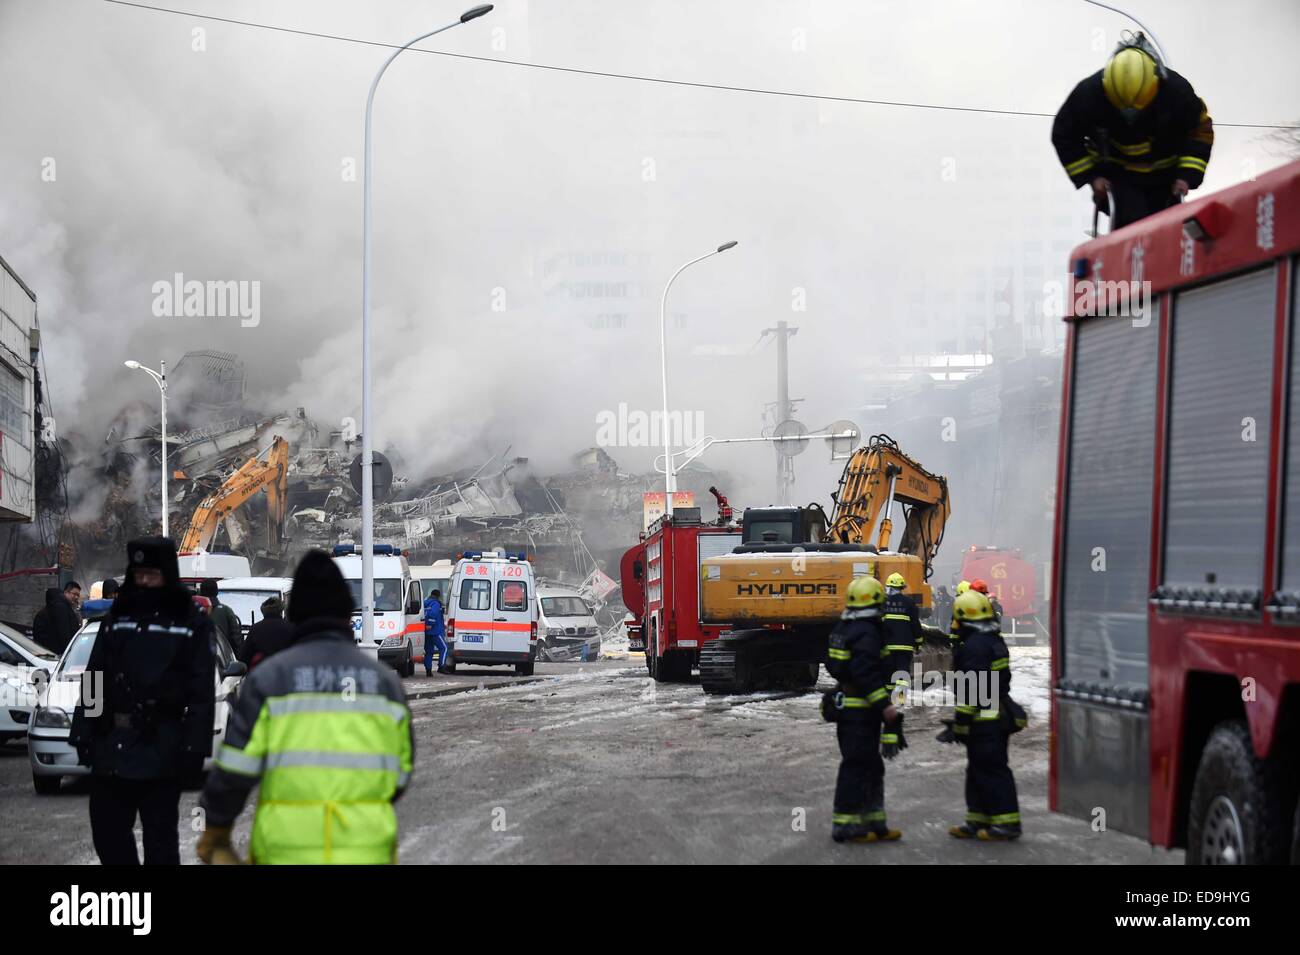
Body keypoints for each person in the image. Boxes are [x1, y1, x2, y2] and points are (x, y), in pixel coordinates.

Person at [197, 550, 414, 865]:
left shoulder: (270, 681)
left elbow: (235, 771)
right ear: (346, 614)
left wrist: (217, 827)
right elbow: (400, 774)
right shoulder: (384, 685)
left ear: (294, 614)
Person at [68, 537, 215, 865]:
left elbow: (202, 693)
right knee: (107, 835)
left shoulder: (191, 623)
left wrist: (195, 748)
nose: (145, 581)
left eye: (152, 574)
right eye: (139, 574)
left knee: (160, 844)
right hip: (112, 747)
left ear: (167, 574)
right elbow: (95, 677)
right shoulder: (117, 618)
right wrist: (84, 731)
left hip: (161, 747)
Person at [1052, 32, 1213, 229]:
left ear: (1156, 84)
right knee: (1133, 229)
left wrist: (1187, 176)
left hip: (1167, 180)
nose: (1131, 118)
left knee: (1166, 231)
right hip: (1118, 180)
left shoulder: (1177, 93)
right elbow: (1063, 134)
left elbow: (1200, 132)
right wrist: (1092, 177)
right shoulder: (1088, 95)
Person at [939, 590, 1025, 841]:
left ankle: (1007, 824)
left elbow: (974, 690)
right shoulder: (993, 641)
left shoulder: (975, 648)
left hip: (985, 719)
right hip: (993, 715)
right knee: (978, 769)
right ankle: (977, 820)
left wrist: (962, 723)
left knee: (992, 769)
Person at [823, 575, 902, 844]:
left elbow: (838, 667)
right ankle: (847, 825)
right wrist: (886, 705)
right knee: (857, 765)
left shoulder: (843, 627)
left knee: (869, 764)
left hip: (850, 708)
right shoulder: (867, 631)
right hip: (861, 711)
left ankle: (873, 822)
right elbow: (865, 672)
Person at [880, 572, 924, 759]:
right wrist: (919, 641)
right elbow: (915, 624)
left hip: (888, 646)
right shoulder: (908, 603)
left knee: (889, 673)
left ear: (889, 587)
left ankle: (889, 699)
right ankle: (899, 699)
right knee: (902, 673)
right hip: (905, 645)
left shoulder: (883, 603)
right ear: (902, 587)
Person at [238, 595, 294, 671]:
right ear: (281, 611)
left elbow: (244, 657)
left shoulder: (255, 629)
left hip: (261, 673)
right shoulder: (290, 628)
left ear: (263, 611)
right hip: (285, 673)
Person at [32, 583, 82, 655]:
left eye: (78, 595)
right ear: (66, 593)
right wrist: (69, 653)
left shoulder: (62, 607)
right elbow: (64, 632)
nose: (76, 597)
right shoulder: (61, 607)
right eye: (74, 594)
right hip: (57, 654)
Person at [199, 579, 243, 656]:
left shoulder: (192, 611)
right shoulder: (226, 611)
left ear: (201, 592)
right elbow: (236, 640)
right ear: (216, 592)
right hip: (221, 657)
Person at [423, 588, 448, 676]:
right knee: (444, 648)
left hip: (426, 632)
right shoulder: (436, 603)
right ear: (438, 596)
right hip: (436, 631)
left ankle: (428, 670)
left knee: (429, 651)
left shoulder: (425, 603)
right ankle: (441, 666)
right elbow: (433, 614)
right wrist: (431, 623)